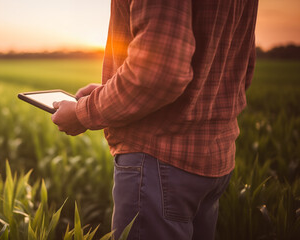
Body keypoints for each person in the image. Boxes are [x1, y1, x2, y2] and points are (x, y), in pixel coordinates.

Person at [51, 0, 258, 239]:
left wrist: (81, 113)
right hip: (214, 160)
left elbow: (158, 74)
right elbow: (237, 70)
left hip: (159, 163)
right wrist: (107, 92)